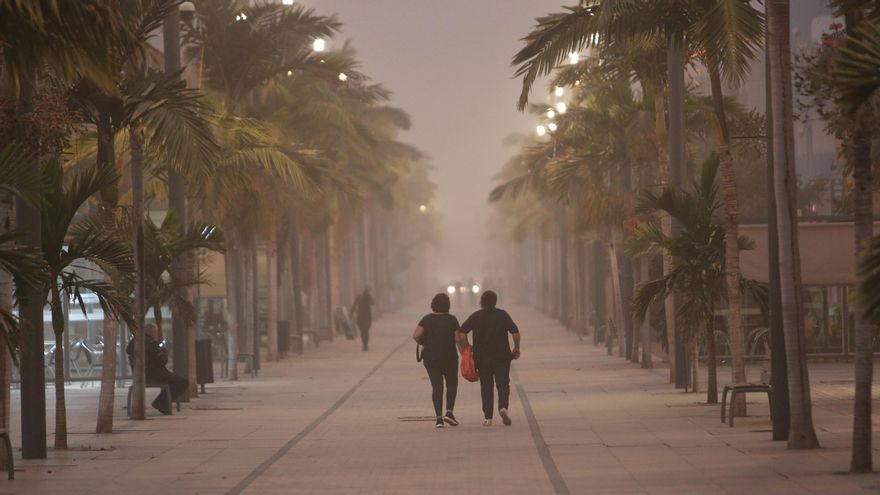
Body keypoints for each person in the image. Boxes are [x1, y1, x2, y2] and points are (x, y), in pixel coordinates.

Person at [455, 290, 520, 427]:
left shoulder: (476, 316)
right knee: (503, 383)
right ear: (495, 301)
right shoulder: (502, 315)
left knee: (486, 386)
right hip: (502, 356)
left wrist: (467, 348)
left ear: (482, 302)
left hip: (482, 357)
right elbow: (514, 331)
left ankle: (488, 418)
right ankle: (503, 407)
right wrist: (516, 347)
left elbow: (461, 333)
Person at [413, 293, 460, 428]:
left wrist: (424, 342)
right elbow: (457, 339)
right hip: (450, 357)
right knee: (451, 385)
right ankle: (449, 413)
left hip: (431, 358)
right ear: (447, 305)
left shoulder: (427, 319)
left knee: (437, 387)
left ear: (433, 304)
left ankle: (439, 419)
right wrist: (465, 350)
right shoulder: (452, 320)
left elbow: (416, 335)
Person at [126, 323, 189, 415]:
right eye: (155, 332)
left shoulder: (134, 342)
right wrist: (164, 351)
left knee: (174, 380)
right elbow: (163, 361)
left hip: (141, 375)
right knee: (183, 382)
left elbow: (128, 350)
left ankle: (161, 403)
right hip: (153, 374)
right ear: (152, 332)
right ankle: (161, 403)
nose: (156, 334)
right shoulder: (153, 343)